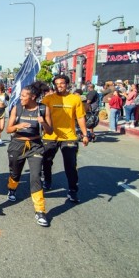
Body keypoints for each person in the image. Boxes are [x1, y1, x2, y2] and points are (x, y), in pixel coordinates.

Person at [6, 82, 53, 227]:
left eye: (24, 96)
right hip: (17, 144)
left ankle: (40, 211)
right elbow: (8, 130)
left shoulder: (43, 109)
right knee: (15, 173)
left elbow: (50, 131)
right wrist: (17, 126)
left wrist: (43, 122)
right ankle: (12, 189)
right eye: (21, 95)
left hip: (35, 146)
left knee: (35, 176)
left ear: (33, 97)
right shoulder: (17, 108)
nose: (21, 98)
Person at [41, 75, 89, 203]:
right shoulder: (48, 99)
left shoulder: (75, 99)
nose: (59, 86)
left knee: (70, 165)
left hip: (69, 137)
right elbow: (40, 115)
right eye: (56, 84)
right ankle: (47, 181)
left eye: (62, 83)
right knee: (46, 161)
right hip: (50, 136)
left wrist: (85, 134)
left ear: (67, 84)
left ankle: (73, 190)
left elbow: (80, 118)